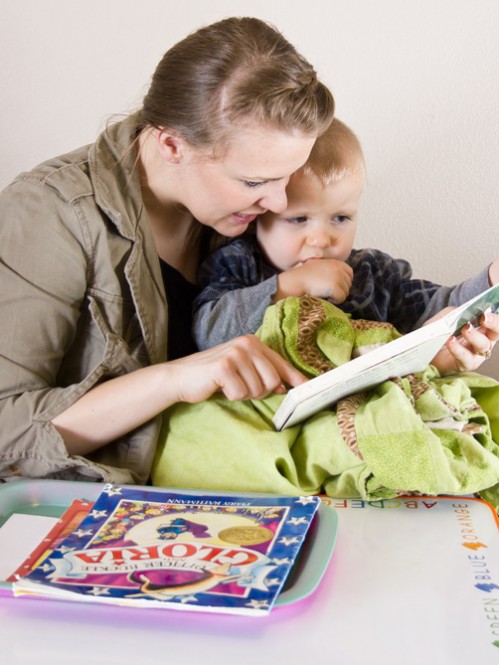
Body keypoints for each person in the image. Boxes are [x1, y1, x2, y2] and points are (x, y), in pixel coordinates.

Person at [0, 17, 336, 483]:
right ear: (172, 145)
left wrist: (430, 338)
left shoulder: (249, 207)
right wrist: (176, 379)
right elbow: (7, 434)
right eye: (254, 182)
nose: (278, 203)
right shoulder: (47, 214)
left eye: (289, 175)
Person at [192, 118, 499, 374]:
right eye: (299, 219)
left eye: (340, 217)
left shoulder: (372, 273)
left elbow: (440, 305)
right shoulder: (238, 262)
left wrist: (490, 282)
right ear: (262, 213)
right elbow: (208, 335)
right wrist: (287, 286)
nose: (322, 239)